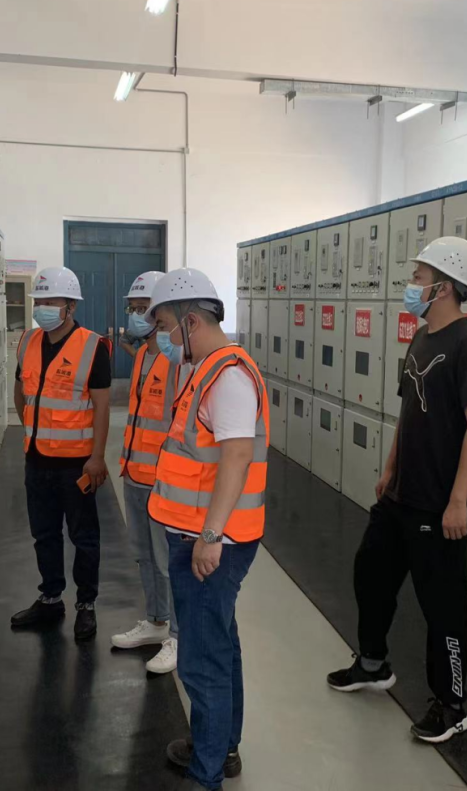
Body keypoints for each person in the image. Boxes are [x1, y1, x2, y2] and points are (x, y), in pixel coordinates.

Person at [326, 237, 467, 745]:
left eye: (419, 277)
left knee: (442, 607)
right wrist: (390, 468)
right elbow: (408, 412)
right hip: (400, 493)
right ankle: (373, 662)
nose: (412, 285)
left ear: (444, 286)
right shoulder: (421, 337)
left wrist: (459, 500)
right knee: (370, 572)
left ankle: (452, 705)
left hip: (439, 502)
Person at [146, 269, 269, 791]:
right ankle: (221, 748)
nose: (163, 338)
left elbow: (237, 458)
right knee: (219, 644)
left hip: (215, 542)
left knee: (202, 660)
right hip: (201, 536)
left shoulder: (228, 377)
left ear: (191, 321)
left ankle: (207, 773)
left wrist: (211, 537)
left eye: (166, 327)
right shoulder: (206, 369)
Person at [11, 266, 112, 642]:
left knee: (84, 537)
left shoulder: (92, 346)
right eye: (39, 301)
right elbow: (21, 392)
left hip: (77, 464)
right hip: (37, 460)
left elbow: (102, 407)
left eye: (51, 302)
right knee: (44, 533)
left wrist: (97, 457)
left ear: (71, 306)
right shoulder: (28, 341)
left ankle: (86, 604)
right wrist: (32, 429)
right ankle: (51, 598)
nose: (42, 308)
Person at [110, 271, 182, 674]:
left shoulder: (178, 363)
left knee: (169, 562)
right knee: (144, 556)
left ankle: (178, 637)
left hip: (164, 481)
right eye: (133, 308)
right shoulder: (142, 357)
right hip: (134, 475)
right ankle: (156, 621)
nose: (137, 316)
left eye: (144, 309)